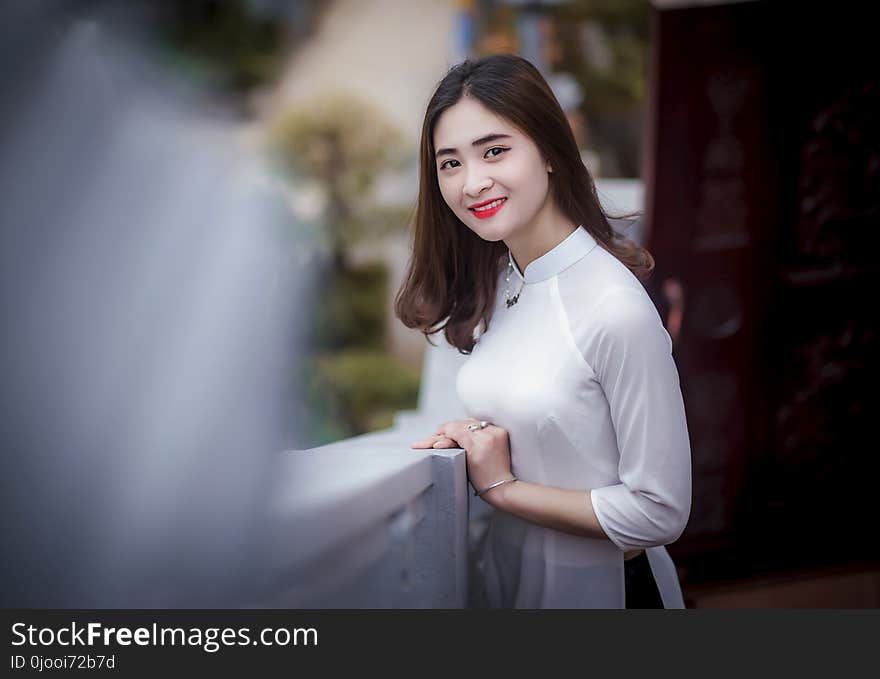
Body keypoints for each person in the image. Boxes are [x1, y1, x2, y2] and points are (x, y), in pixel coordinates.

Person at [396, 54, 692, 609]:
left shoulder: (614, 308)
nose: (472, 182)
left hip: (606, 593)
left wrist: (502, 488)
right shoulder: (508, 280)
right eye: (449, 163)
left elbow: (660, 511)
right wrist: (473, 437)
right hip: (514, 584)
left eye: (494, 151)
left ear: (551, 152)